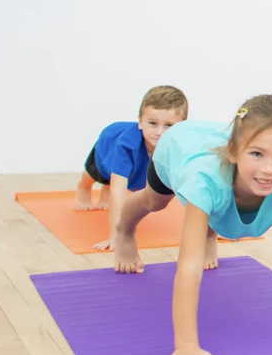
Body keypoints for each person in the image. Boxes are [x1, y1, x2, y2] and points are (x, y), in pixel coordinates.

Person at [112, 94, 272, 355]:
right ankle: (123, 230)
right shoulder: (203, 181)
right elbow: (189, 265)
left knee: (218, 204)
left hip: (220, 168)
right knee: (154, 201)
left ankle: (209, 231)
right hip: (178, 148)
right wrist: (186, 345)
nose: (269, 169)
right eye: (257, 154)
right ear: (234, 151)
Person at [74, 85, 188, 251]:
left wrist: (213, 229)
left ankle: (105, 188)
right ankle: (83, 187)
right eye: (152, 123)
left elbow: (193, 190)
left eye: (168, 125)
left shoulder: (180, 148)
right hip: (108, 145)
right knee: (97, 174)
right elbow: (118, 192)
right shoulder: (125, 145)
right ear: (140, 122)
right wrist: (116, 236)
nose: (159, 132)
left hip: (143, 169)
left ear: (182, 126)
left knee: (126, 179)